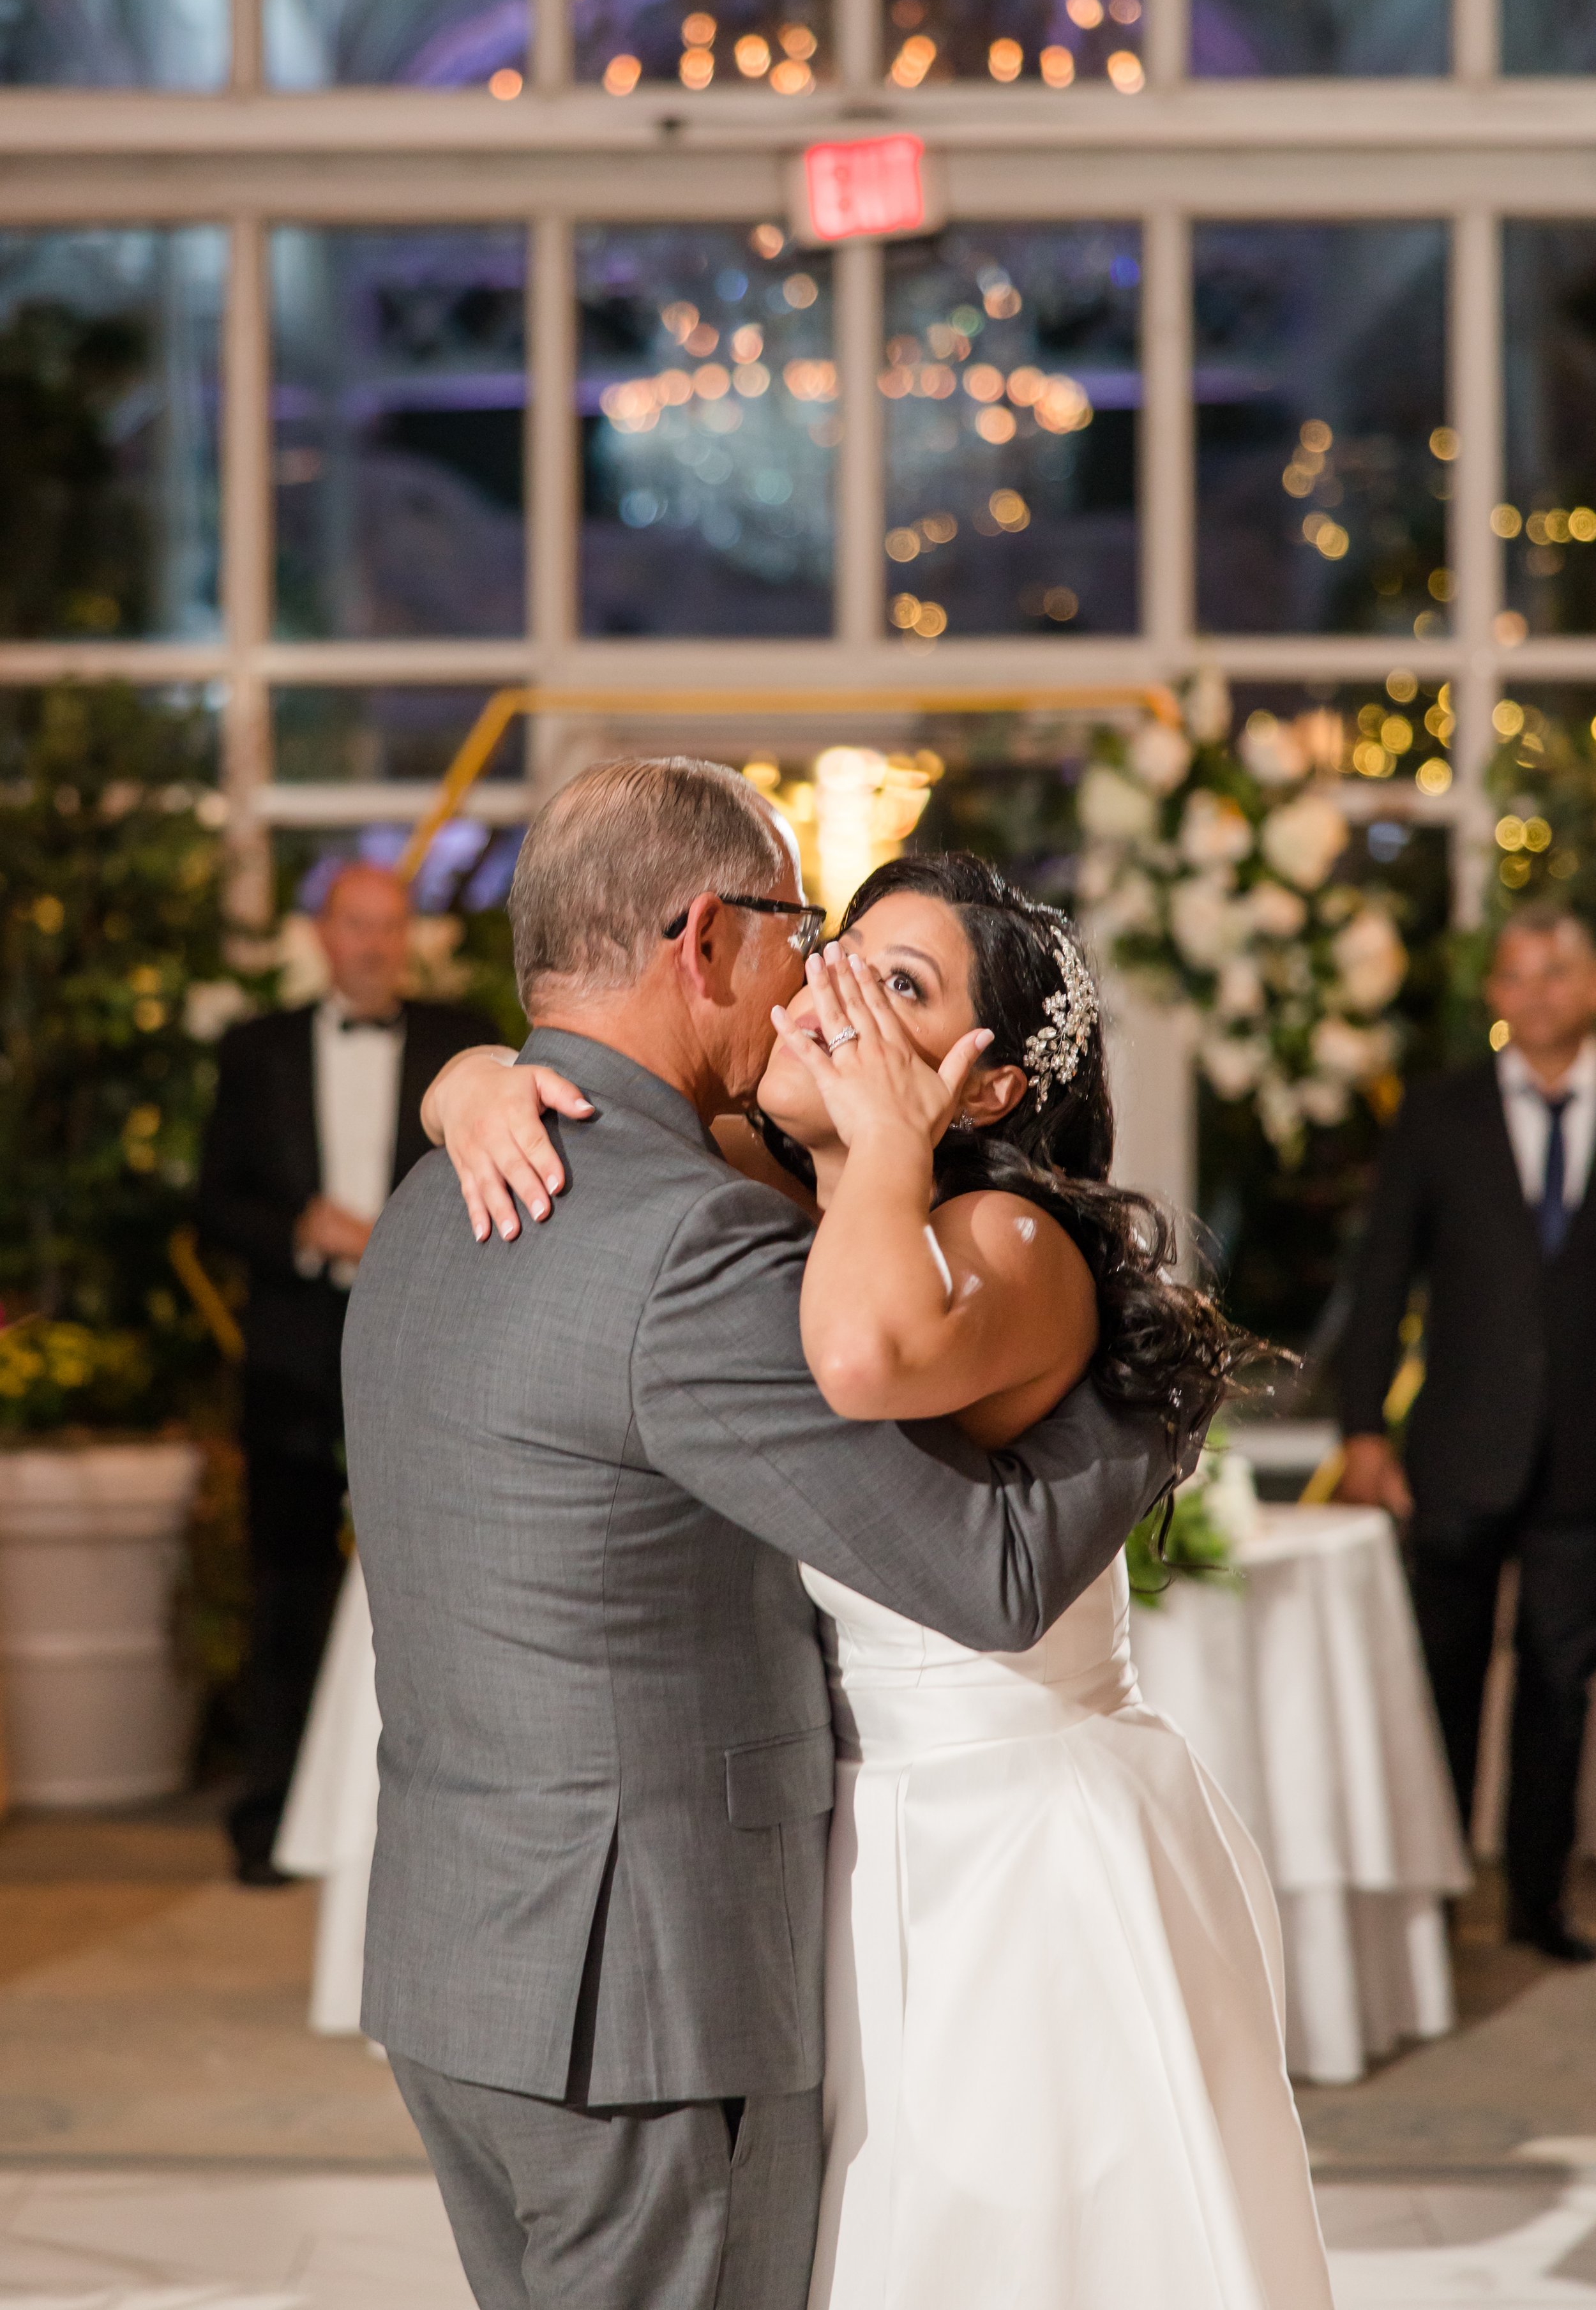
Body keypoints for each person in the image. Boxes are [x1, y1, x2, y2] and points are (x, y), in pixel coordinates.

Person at [432, 845, 1331, 2310]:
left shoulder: (1010, 1241)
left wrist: (879, 1147)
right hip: (855, 1837)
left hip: (1022, 1852)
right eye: (837, 949)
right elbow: (600, 1094)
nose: (832, 989)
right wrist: (470, 1080)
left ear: (982, 1089)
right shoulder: (798, 1207)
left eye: (896, 983)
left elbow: (857, 1356)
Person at [197, 862, 497, 1886]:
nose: (373, 944)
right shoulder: (256, 1048)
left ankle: (427, 1816)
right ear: (322, 936)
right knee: (285, 1584)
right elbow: (215, 1201)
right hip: (291, 1356)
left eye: (389, 926)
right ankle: (271, 1820)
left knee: (430, 1574)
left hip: (425, 1343)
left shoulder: (466, 1039)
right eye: (355, 926)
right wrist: (300, 1229)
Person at [1339, 903, 1596, 1962]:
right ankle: (1434, 1912)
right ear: (1494, 995)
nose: (1536, 992)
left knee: (1558, 1685)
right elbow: (1381, 1275)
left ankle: (1537, 1905)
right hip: (1455, 1452)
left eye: (1558, 972)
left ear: (1589, 983)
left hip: (1585, 1462)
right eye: (1516, 975)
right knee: (1438, 1685)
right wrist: (1362, 1431)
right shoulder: (1441, 1115)